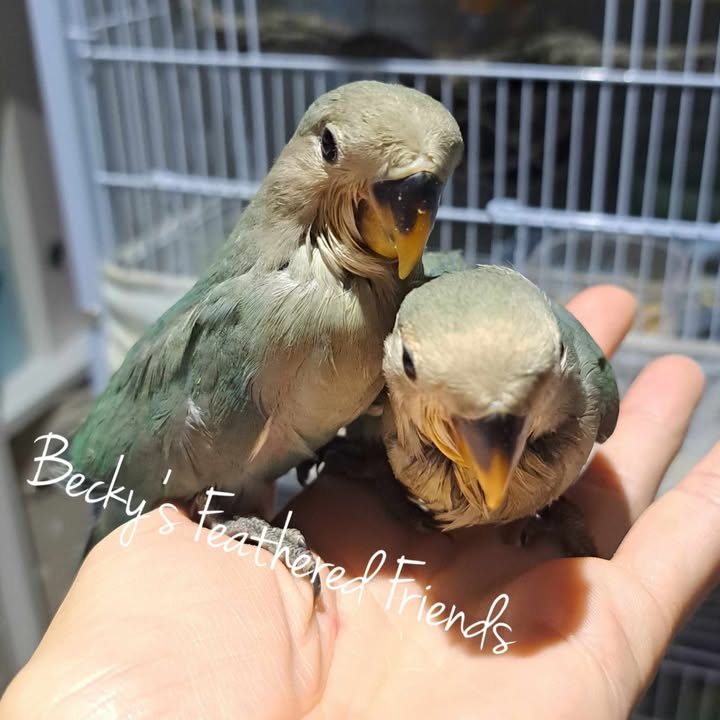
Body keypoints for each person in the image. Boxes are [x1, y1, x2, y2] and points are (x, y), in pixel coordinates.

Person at [1, 286, 718, 719]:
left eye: (534, 387)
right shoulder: (370, 389)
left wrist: (546, 494)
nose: (490, 447)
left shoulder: (587, 393)